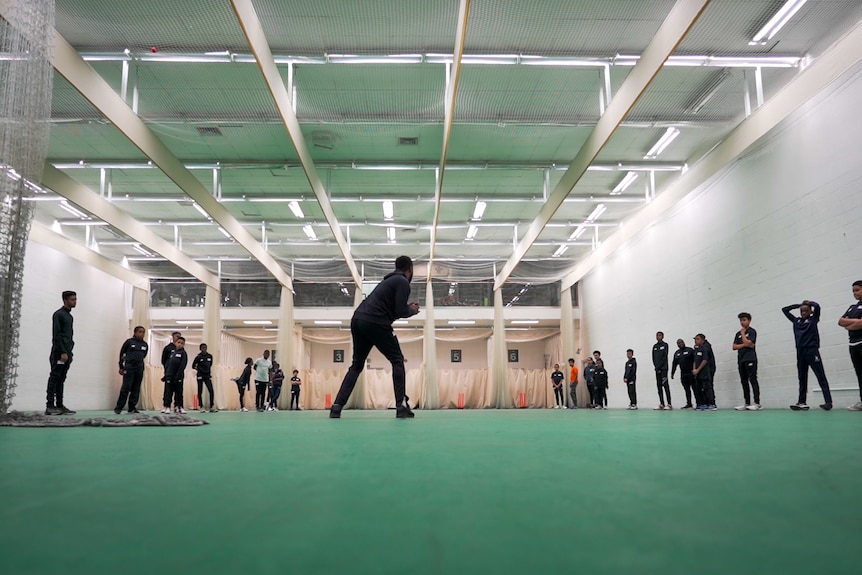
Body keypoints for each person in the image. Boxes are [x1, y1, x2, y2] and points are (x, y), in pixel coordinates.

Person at [330, 256, 420, 419]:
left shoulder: (387, 282)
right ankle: (401, 405)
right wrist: (412, 310)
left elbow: (391, 309)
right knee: (397, 360)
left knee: (356, 366)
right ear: (410, 269)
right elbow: (400, 310)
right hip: (375, 321)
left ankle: (337, 406)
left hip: (358, 319)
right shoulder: (402, 282)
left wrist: (404, 309)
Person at [782, 300, 833, 411]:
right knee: (802, 377)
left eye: (806, 310)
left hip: (812, 351)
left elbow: (818, 307)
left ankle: (828, 402)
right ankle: (802, 402)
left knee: (821, 376)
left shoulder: (813, 319)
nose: (803, 312)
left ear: (810, 311)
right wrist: (798, 305)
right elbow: (784, 310)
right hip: (800, 353)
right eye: (801, 311)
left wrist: (810, 303)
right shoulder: (796, 321)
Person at [44, 290, 77, 415]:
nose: (75, 301)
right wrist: (63, 352)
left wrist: (69, 351)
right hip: (59, 353)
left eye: (75, 299)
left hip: (67, 353)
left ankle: (59, 405)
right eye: (72, 299)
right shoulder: (59, 314)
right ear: (65, 300)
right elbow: (56, 335)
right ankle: (50, 406)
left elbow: (68, 336)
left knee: (61, 379)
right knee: (55, 378)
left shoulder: (69, 316)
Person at [114, 325, 149, 414]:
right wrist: (121, 367)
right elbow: (122, 354)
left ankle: (132, 407)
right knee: (126, 387)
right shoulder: (129, 342)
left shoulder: (145, 344)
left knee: (136, 388)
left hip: (139, 367)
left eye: (143, 332)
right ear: (135, 332)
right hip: (129, 367)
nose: (142, 334)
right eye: (140, 332)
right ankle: (119, 408)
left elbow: (144, 355)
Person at [838, 280, 862, 411]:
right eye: (853, 291)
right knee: (860, 374)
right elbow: (841, 321)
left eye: (857, 290)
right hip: (853, 345)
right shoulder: (852, 307)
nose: (854, 293)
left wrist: (850, 325)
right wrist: (856, 322)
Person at [733, 313, 762, 411]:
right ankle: (747, 403)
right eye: (741, 320)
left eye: (744, 320)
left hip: (750, 359)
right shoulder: (737, 334)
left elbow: (750, 344)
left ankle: (757, 403)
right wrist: (744, 344)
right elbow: (734, 346)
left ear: (749, 320)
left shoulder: (752, 331)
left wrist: (743, 334)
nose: (742, 322)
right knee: (744, 381)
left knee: (753, 380)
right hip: (741, 360)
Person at [162, 336, 188, 414]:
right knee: (168, 392)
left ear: (184, 345)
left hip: (178, 376)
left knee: (179, 392)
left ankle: (179, 406)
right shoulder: (172, 353)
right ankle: (167, 406)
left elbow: (183, 365)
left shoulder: (183, 353)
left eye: (182, 343)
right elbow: (167, 364)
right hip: (169, 376)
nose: (180, 344)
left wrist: (178, 375)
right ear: (176, 343)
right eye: (178, 342)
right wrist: (166, 375)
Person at [693, 334, 716, 410]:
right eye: (695, 339)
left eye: (697, 339)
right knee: (700, 388)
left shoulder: (705, 348)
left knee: (707, 387)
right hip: (699, 372)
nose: (695, 341)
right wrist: (694, 369)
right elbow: (695, 360)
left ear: (702, 340)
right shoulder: (697, 349)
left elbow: (705, 360)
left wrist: (698, 370)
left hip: (705, 371)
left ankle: (712, 404)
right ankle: (704, 403)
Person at [671, 338, 696, 409]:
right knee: (686, 389)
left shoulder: (690, 350)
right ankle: (689, 404)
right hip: (683, 374)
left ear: (684, 342)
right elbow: (674, 364)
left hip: (691, 373)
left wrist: (695, 370)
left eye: (681, 342)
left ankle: (699, 403)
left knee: (695, 388)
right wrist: (672, 373)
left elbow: (696, 360)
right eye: (678, 343)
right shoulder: (677, 353)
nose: (680, 344)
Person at [192, 343, 216, 413]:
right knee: (200, 391)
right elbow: (193, 366)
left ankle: (211, 406)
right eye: (202, 348)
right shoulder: (198, 357)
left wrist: (206, 371)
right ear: (200, 349)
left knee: (211, 390)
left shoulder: (210, 356)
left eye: (205, 347)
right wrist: (199, 370)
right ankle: (201, 406)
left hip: (207, 375)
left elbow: (210, 364)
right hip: (200, 375)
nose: (204, 349)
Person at [160, 331, 181, 412]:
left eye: (179, 336)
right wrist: (167, 369)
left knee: (178, 391)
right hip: (169, 373)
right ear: (173, 337)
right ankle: (166, 406)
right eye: (177, 336)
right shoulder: (168, 348)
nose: (178, 338)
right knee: (168, 390)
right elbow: (163, 360)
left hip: (178, 373)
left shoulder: (181, 349)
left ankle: (177, 406)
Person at [652, 332, 672, 410]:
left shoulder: (665, 345)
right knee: (659, 386)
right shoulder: (655, 346)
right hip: (657, 369)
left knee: (665, 386)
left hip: (663, 369)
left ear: (663, 336)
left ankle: (669, 404)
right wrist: (656, 367)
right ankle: (662, 404)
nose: (658, 337)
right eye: (657, 335)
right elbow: (653, 358)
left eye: (659, 335)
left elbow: (664, 357)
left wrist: (660, 366)